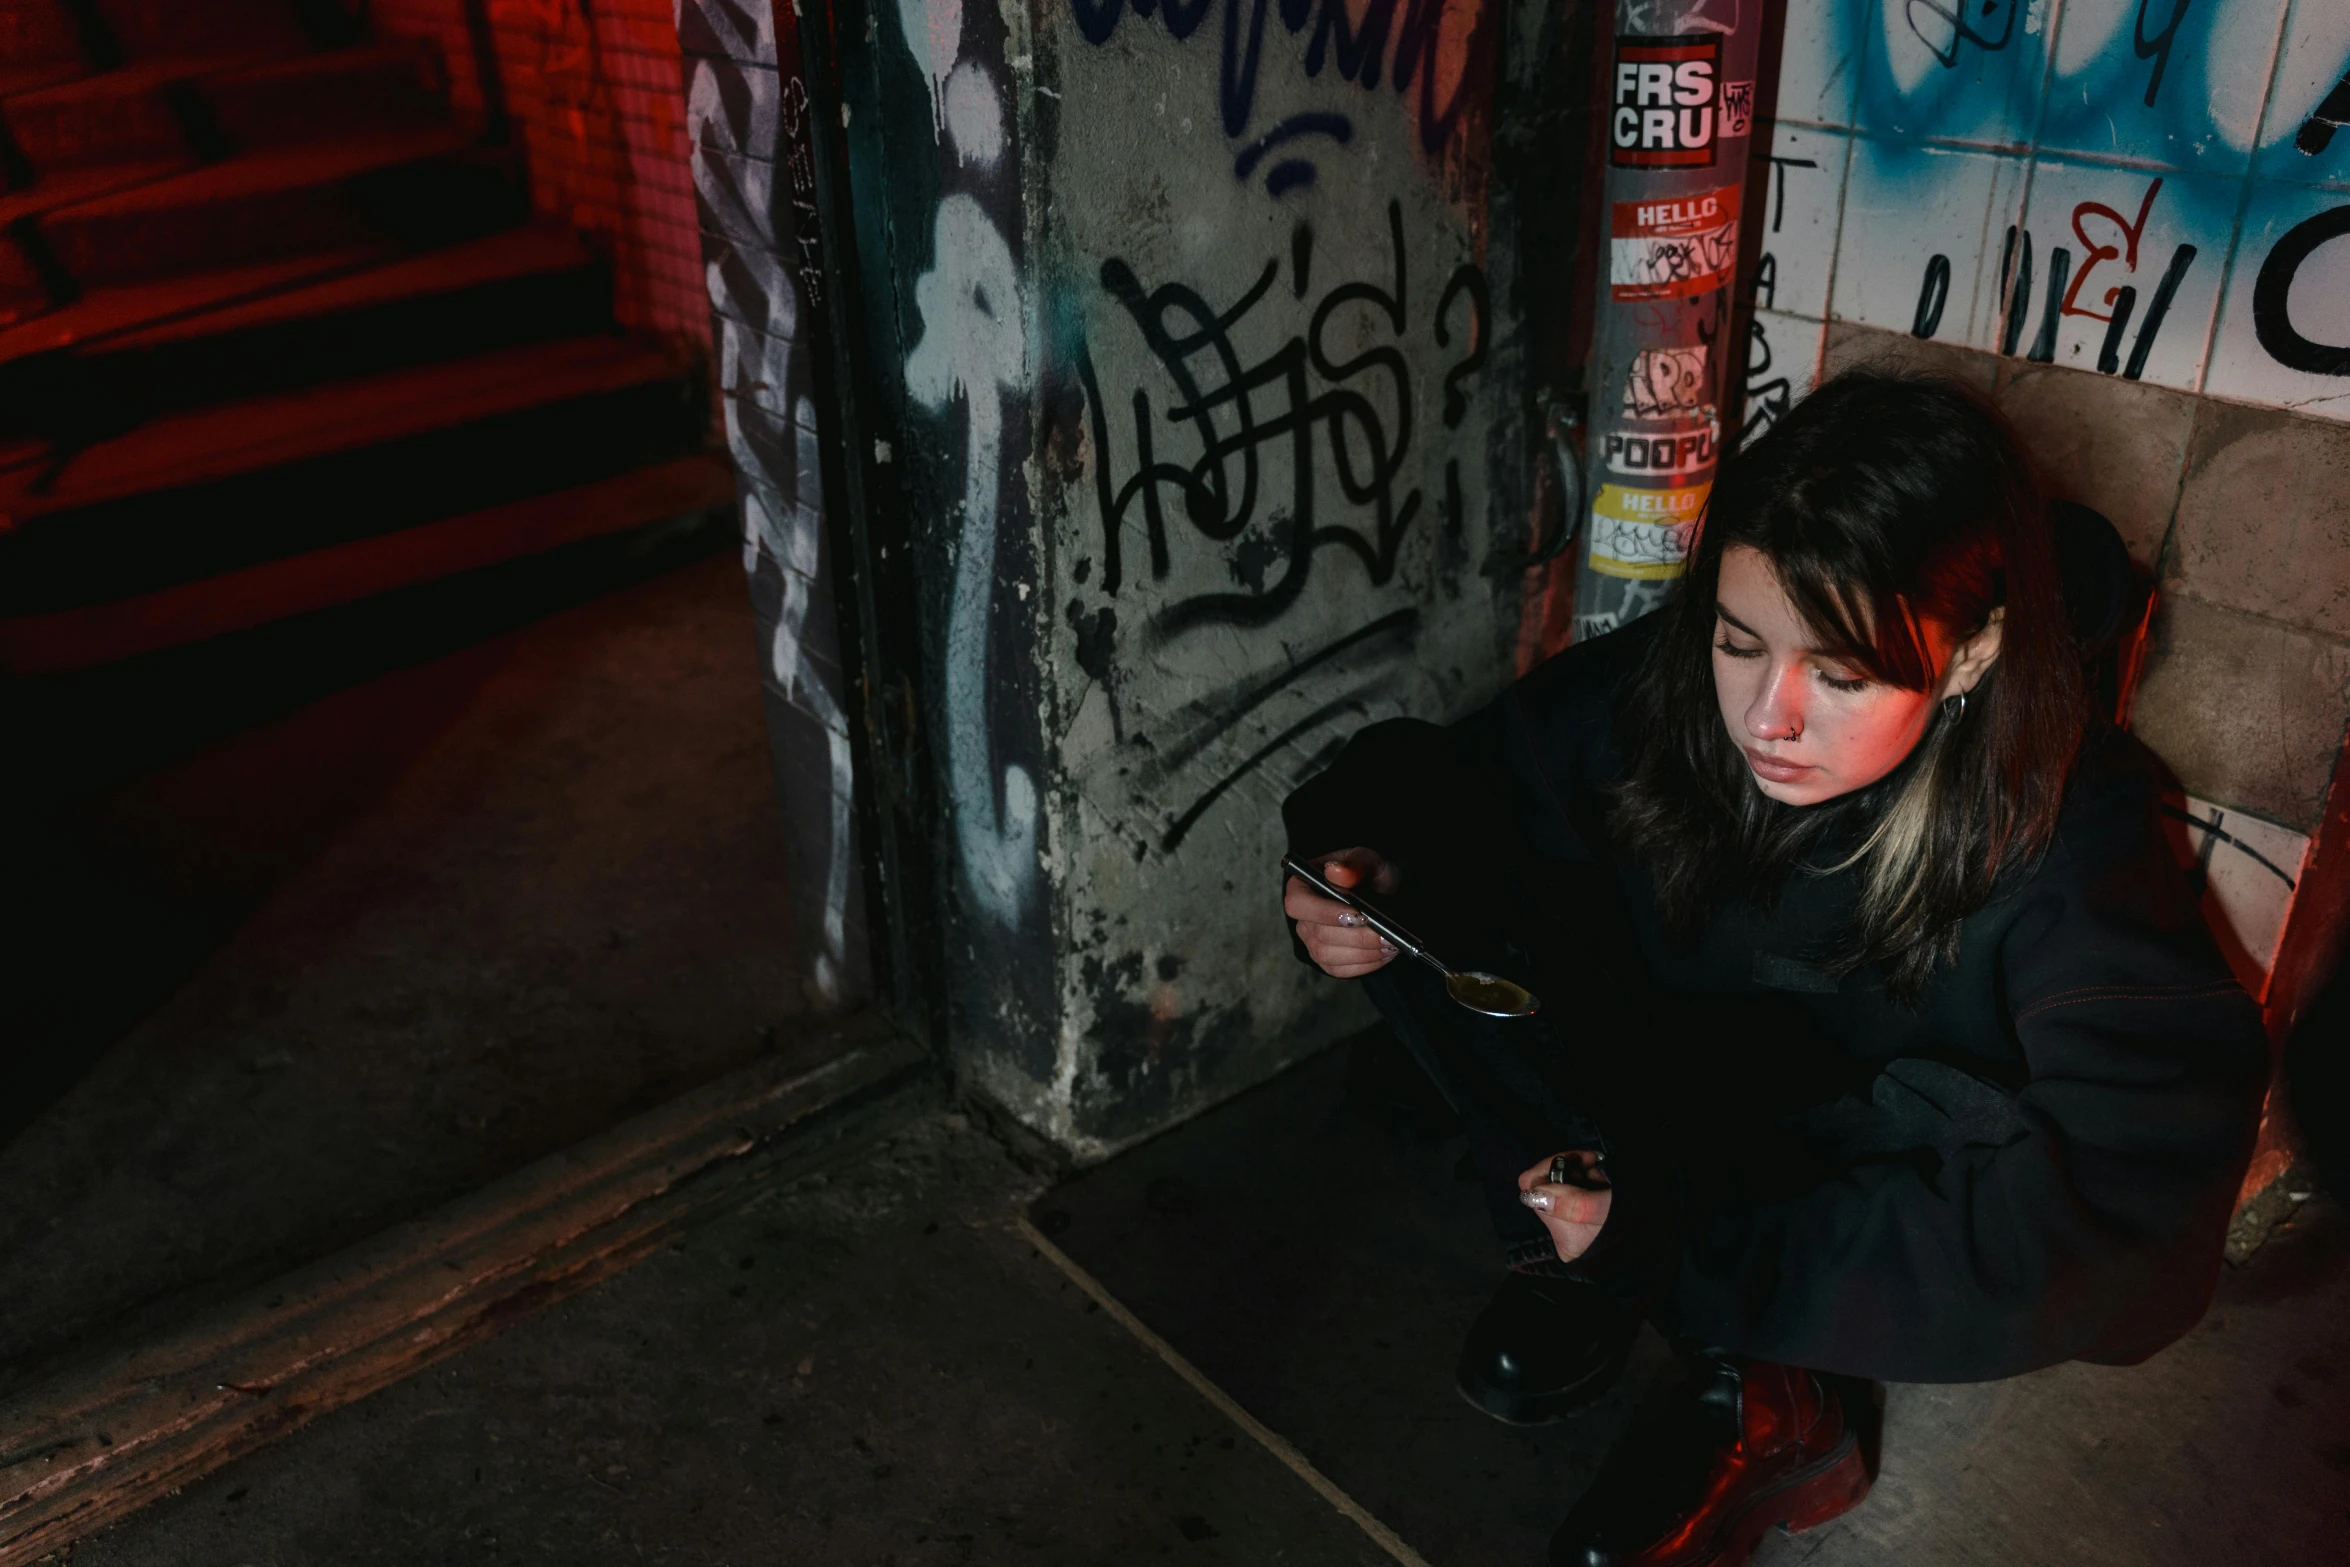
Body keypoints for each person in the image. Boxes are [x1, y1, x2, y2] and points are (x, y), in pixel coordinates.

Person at [1279, 370, 2269, 1567]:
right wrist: (1359, 857)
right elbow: (1470, 780)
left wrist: (1703, 1254)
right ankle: (1597, 1254)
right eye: (1738, 642)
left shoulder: (2072, 818)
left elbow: (2133, 1212)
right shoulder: (1702, 674)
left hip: (1834, 1182)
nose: (1769, 716)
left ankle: (1781, 1399)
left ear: (1969, 657)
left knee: (1981, 1147)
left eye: (1842, 676)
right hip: (1692, 1103)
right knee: (1439, 887)